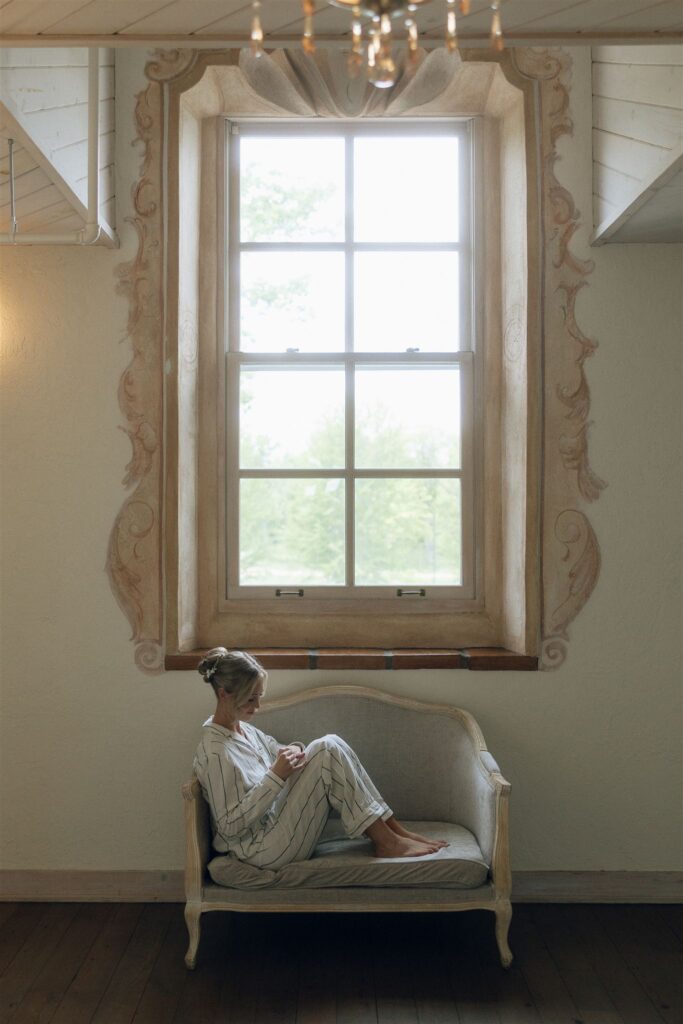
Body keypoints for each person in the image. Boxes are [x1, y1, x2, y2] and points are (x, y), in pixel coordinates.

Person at [193, 647, 448, 870]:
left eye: (259, 696)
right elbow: (228, 826)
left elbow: (275, 749)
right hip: (262, 850)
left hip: (277, 822)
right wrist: (275, 777)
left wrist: (291, 751)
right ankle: (388, 842)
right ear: (224, 693)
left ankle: (395, 831)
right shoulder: (217, 752)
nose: (257, 706)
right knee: (326, 751)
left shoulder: (243, 728)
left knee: (330, 743)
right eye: (250, 698)